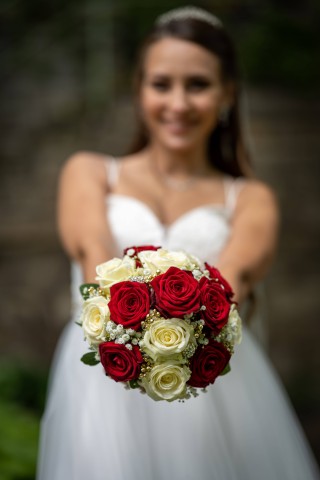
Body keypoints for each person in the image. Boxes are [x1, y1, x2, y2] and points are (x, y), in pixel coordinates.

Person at [37, 6, 319, 480]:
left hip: (214, 392)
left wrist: (178, 337)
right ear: (139, 89)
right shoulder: (88, 172)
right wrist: (127, 331)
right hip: (99, 385)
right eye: (161, 84)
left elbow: (232, 284)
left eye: (198, 85)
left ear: (227, 93)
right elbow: (94, 257)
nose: (179, 104)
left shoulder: (250, 198)